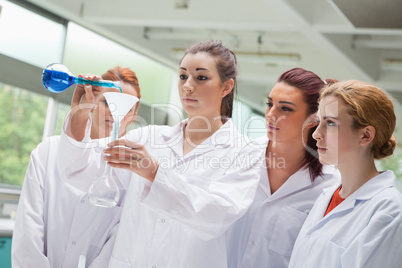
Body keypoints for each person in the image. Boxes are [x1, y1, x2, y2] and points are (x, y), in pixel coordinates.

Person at [57, 40, 264, 268]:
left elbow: (215, 216)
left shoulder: (245, 152)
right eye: (183, 76)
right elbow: (81, 174)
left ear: (226, 87)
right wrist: (79, 114)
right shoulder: (148, 138)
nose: (187, 86)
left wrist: (155, 173)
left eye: (201, 77)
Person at [11, 66, 141, 268]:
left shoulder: (132, 172)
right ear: (93, 101)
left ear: (133, 115)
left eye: (127, 108)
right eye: (107, 102)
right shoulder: (48, 151)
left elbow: (118, 244)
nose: (116, 113)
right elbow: (28, 231)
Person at [226, 68, 340, 268]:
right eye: (270, 104)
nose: (270, 115)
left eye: (285, 109)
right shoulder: (237, 157)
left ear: (315, 118)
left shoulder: (330, 186)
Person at [288, 80, 402, 268]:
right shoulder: (326, 198)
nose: (316, 133)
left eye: (330, 123)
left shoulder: (389, 210)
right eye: (319, 122)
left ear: (366, 135)